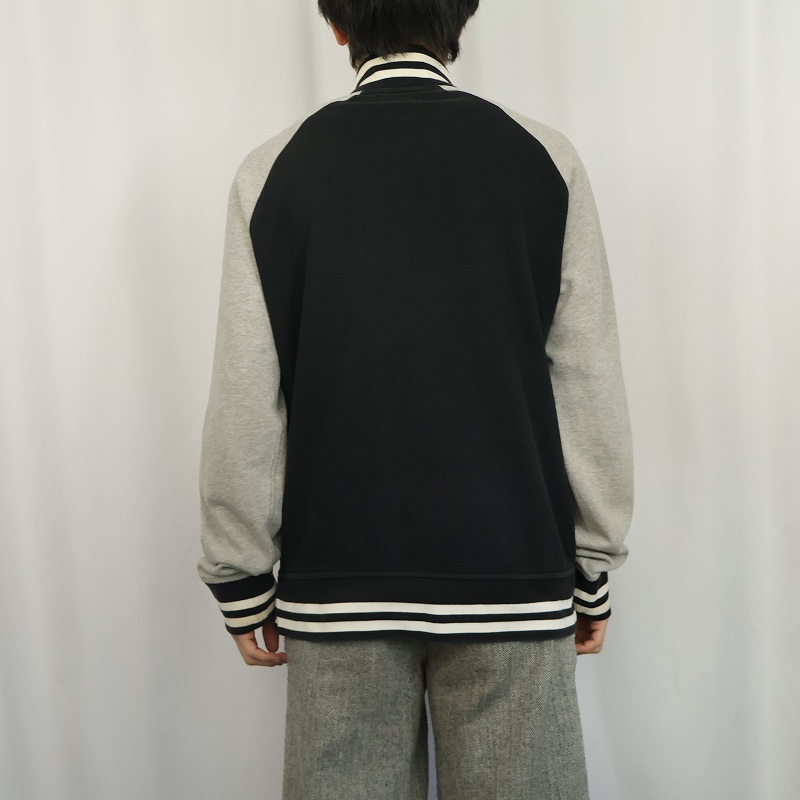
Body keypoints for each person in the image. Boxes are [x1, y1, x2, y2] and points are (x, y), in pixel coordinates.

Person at [196, 1, 634, 797]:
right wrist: (593, 560)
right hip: (511, 573)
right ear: (463, 15)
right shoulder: (543, 159)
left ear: (337, 25)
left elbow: (247, 390)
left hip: (339, 585)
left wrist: (241, 572)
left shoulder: (274, 170)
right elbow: (586, 374)